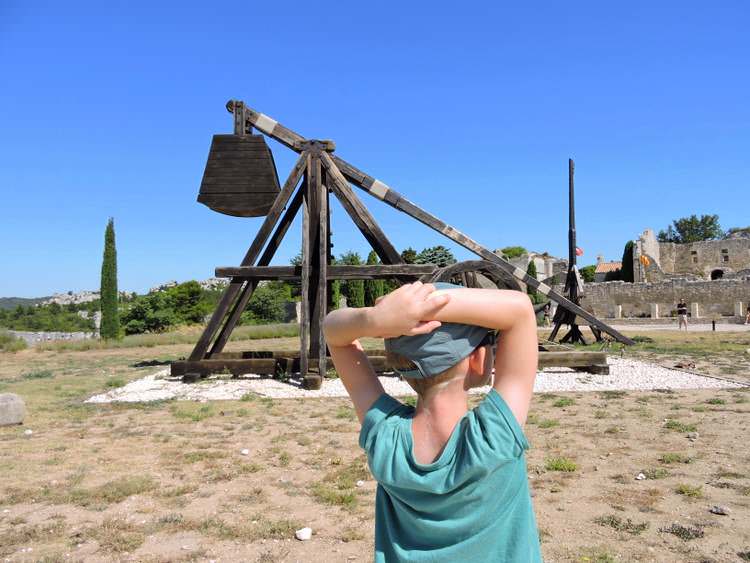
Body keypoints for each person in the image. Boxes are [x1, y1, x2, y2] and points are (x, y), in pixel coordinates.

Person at [323, 281, 542, 562]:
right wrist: (426, 306)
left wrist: (376, 319)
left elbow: (333, 330)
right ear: (478, 359)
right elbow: (521, 310)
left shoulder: (385, 437)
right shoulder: (494, 436)